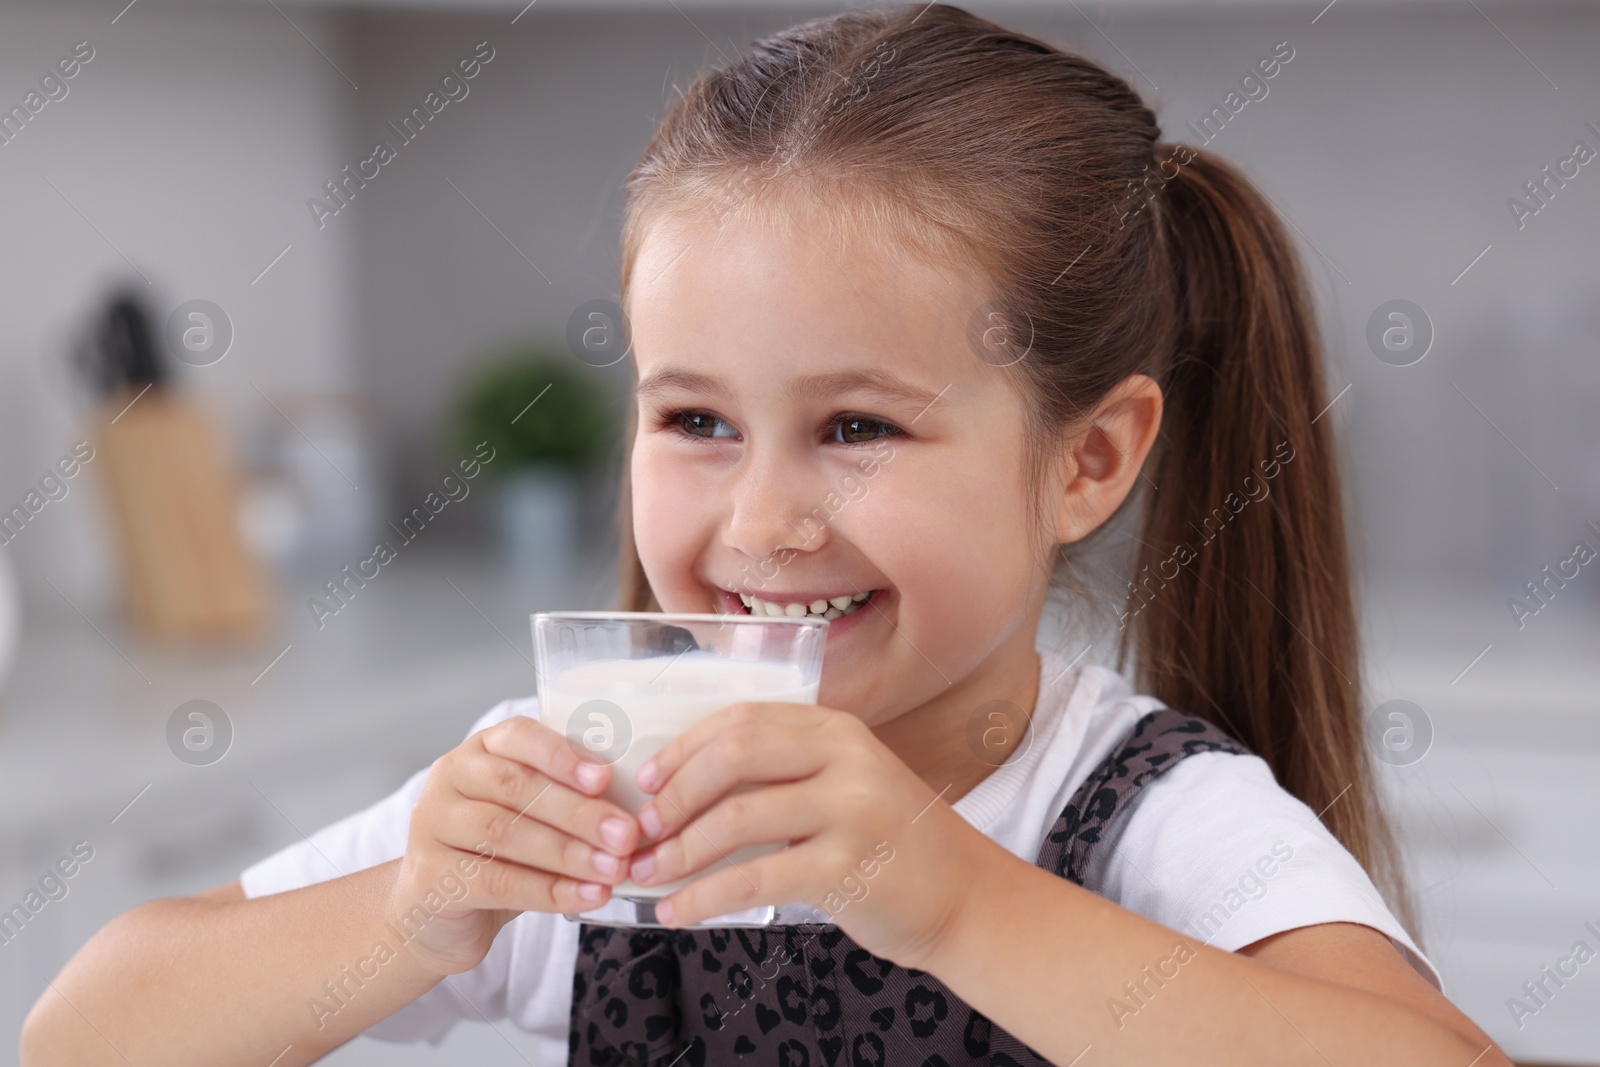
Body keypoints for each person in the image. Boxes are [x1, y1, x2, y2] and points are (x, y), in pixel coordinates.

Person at [23, 4, 1508, 1065]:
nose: (760, 522)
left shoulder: (1146, 818)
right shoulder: (602, 804)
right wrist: (416, 914)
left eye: (858, 428)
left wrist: (954, 899)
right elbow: (83, 1035)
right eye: (696, 421)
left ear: (1090, 460)